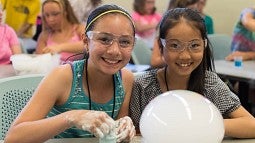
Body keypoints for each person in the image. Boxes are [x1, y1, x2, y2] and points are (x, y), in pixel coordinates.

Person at [4, 4, 136, 143]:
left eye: (125, 42)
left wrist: (123, 128)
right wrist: (73, 117)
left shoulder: (125, 79)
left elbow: (115, 136)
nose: (114, 50)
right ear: (86, 41)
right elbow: (13, 137)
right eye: (104, 39)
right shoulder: (63, 77)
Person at [130, 8, 255, 138]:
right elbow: (131, 131)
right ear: (161, 47)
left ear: (204, 45)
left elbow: (251, 125)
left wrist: (204, 123)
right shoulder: (142, 86)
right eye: (174, 45)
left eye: (194, 45)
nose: (185, 56)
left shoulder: (210, 84)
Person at [150, 0, 199, 68]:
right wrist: (174, 57)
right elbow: (155, 61)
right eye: (191, 11)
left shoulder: (197, 27)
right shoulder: (165, 27)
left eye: (195, 11)